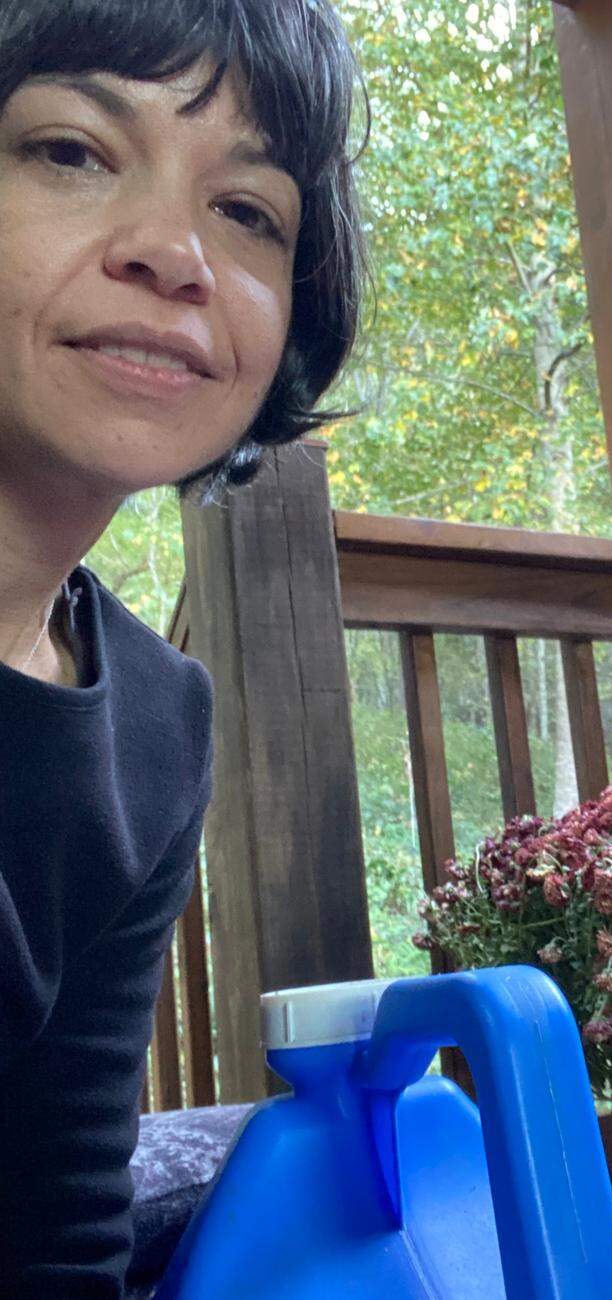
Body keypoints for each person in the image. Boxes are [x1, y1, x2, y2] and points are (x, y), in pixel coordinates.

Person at [0, 0, 370, 1293]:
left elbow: (55, 1210)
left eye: (250, 213)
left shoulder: (162, 718)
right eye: (71, 152)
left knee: (361, 1166)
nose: (174, 254)